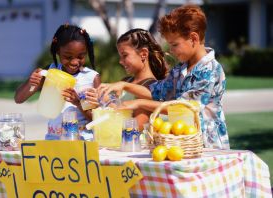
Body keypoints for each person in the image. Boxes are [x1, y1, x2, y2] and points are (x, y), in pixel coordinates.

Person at [98, 5, 229, 149]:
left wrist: (139, 103)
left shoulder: (210, 71)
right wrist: (124, 85)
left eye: (174, 45)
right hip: (184, 142)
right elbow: (157, 91)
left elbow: (183, 108)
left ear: (193, 38)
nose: (171, 51)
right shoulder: (181, 68)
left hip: (207, 146)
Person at [15, 24, 101, 140]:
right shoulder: (51, 72)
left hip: (82, 142)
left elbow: (98, 120)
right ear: (58, 52)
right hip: (53, 140)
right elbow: (19, 99)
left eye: (80, 56)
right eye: (68, 57)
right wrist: (32, 83)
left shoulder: (91, 78)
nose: (75, 62)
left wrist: (79, 103)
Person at [101, 28, 167, 130]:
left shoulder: (150, 86)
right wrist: (101, 100)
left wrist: (112, 108)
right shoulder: (127, 80)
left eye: (125, 55)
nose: (120, 61)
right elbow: (114, 105)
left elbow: (138, 126)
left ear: (143, 54)